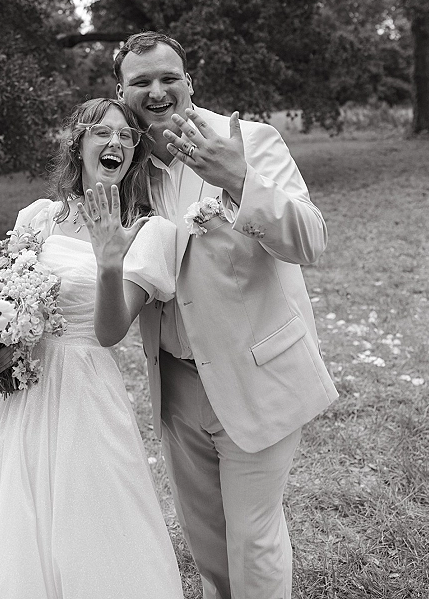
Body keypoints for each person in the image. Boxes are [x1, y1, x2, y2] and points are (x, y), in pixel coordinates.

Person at [0, 98, 184, 599]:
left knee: (87, 509)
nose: (115, 143)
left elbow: (110, 332)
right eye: (102, 132)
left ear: (136, 153)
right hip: (21, 384)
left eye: (126, 136)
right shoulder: (39, 216)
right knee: (10, 501)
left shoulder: (150, 230)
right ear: (77, 143)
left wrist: (107, 261)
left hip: (85, 388)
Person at [115, 31, 339, 599]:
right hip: (177, 381)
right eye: (141, 82)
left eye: (169, 77)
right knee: (206, 536)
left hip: (255, 374)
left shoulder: (252, 141)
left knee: (253, 536)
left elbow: (311, 241)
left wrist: (239, 180)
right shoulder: (124, 167)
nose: (157, 91)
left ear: (190, 81)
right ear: (122, 91)